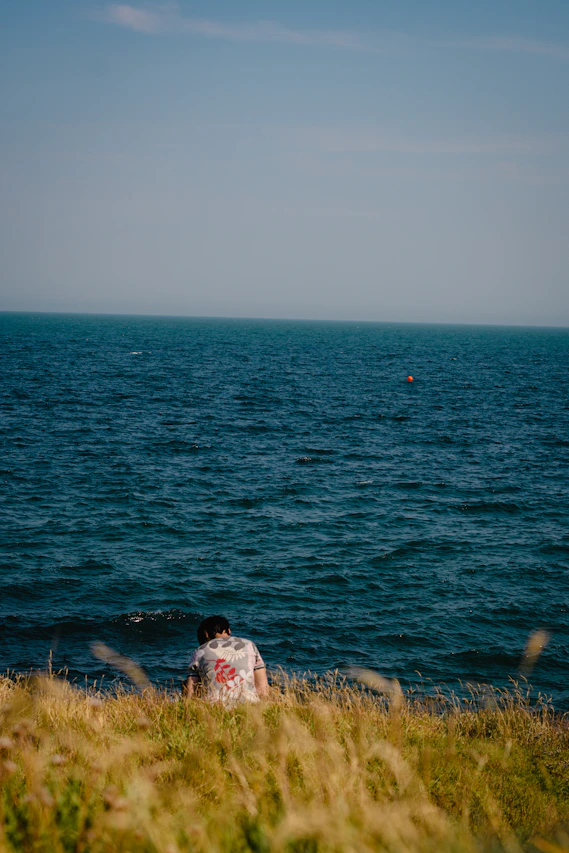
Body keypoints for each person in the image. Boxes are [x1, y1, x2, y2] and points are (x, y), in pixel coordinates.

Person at [183, 615, 269, 703]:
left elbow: (190, 692)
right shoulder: (249, 645)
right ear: (228, 631)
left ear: (206, 634)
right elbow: (262, 689)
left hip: (214, 707)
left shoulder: (200, 650)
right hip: (248, 706)